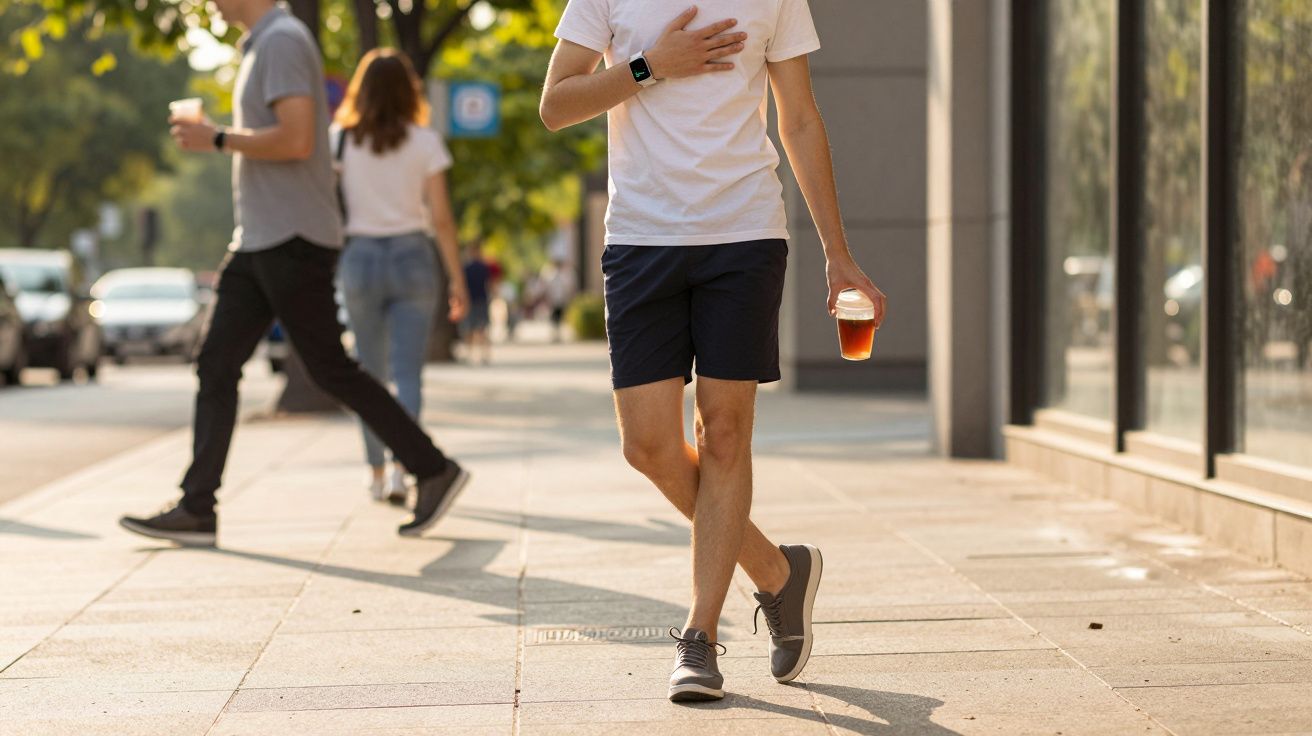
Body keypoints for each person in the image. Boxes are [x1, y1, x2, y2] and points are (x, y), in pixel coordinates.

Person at [542, 0, 887, 702]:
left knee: (723, 434)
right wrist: (648, 67)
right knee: (648, 447)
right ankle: (778, 573)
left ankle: (699, 637)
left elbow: (798, 117)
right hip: (641, 240)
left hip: (744, 235)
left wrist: (837, 253)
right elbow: (555, 105)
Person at [118, 0, 470, 545]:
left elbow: (297, 138)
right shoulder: (262, 45)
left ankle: (433, 468)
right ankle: (196, 507)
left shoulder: (282, 40)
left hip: (293, 239)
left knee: (332, 369)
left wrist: (216, 137)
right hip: (260, 239)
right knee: (216, 364)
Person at [331, 49, 470, 505]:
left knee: (367, 374)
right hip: (413, 254)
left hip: (361, 257)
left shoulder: (341, 140)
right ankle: (402, 470)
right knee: (408, 373)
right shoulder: (425, 141)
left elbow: (330, 210)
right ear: (409, 90)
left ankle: (375, 473)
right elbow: (443, 219)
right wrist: (457, 280)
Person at [461, 242, 494, 365]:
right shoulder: (484, 267)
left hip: (472, 300)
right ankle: (483, 355)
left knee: (471, 328)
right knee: (481, 328)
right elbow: (489, 284)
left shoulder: (466, 268)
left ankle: (471, 354)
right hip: (480, 299)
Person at [543, 259, 576, 342]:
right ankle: (556, 334)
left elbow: (565, 288)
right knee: (555, 316)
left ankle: (556, 334)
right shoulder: (554, 276)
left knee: (557, 316)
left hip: (558, 299)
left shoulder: (556, 276)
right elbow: (549, 288)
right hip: (556, 299)